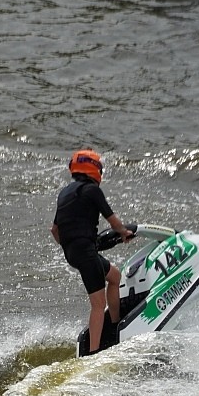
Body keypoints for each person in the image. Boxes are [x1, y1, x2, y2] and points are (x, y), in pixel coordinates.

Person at [50, 149, 133, 355]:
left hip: (73, 253)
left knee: (114, 276)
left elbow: (55, 230)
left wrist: (73, 246)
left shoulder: (65, 193)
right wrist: (124, 233)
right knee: (98, 304)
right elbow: (112, 220)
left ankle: (115, 323)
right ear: (95, 169)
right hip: (85, 252)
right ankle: (94, 353)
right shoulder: (91, 190)